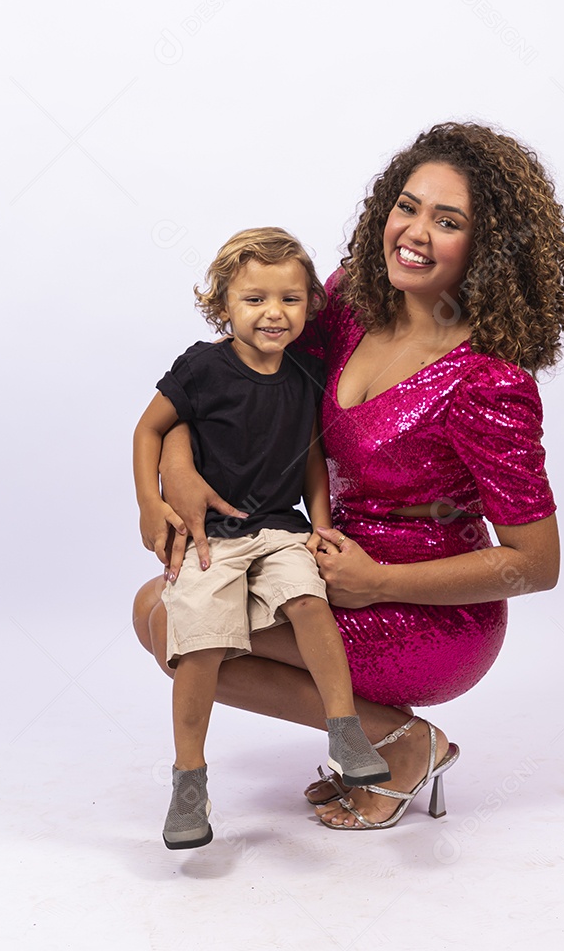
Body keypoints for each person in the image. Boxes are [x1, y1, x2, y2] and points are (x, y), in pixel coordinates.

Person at [132, 121, 564, 831]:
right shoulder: (349, 300)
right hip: (320, 564)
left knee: (170, 617)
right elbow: (223, 377)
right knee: (161, 614)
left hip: (429, 613)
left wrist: (381, 583)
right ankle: (391, 740)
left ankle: (400, 744)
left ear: (486, 249)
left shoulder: (489, 382)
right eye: (408, 205)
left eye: (448, 220)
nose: (416, 232)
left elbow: (536, 564)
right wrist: (176, 469)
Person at [133, 228, 391, 849]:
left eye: (290, 300)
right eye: (254, 299)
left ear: (308, 305)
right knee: (197, 644)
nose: (274, 313)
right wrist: (150, 503)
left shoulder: (308, 373)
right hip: (211, 538)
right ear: (223, 304)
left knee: (308, 603)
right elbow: (148, 430)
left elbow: (311, 461)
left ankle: (345, 730)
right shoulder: (203, 366)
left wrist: (321, 524)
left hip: (280, 528)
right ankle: (189, 780)